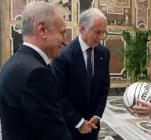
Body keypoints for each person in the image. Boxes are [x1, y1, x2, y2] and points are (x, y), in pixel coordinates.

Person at [0, 2, 72, 140]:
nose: (65, 42)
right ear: (42, 29)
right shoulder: (36, 74)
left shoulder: (13, 63)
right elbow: (55, 135)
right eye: (62, 33)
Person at [51, 8, 110, 140]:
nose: (102, 37)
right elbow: (59, 95)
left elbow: (104, 88)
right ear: (83, 28)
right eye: (98, 32)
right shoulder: (62, 55)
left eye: (104, 32)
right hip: (70, 127)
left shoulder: (104, 53)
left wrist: (97, 115)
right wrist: (79, 122)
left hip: (93, 126)